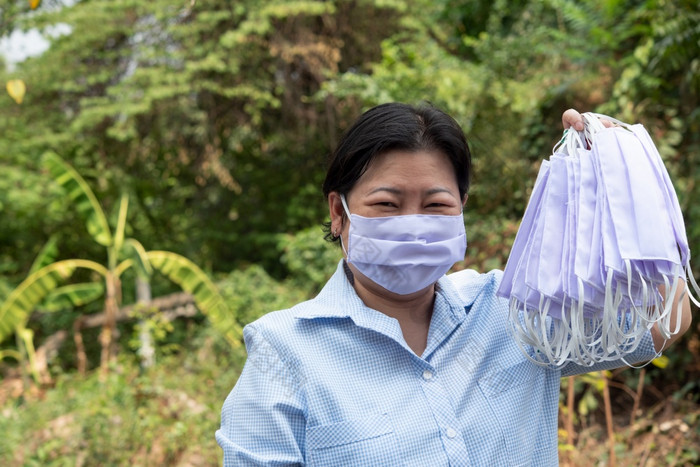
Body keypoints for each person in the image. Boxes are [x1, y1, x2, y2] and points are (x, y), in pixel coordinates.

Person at [215, 103, 692, 466]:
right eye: (386, 203)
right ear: (339, 213)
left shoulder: (513, 311)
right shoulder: (285, 354)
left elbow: (662, 322)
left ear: (461, 207)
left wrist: (624, 180)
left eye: (436, 204)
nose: (414, 224)